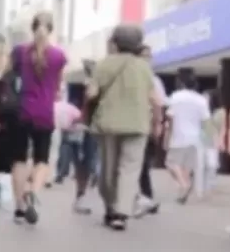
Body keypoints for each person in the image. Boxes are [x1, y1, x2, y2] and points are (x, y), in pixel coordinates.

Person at [85, 25, 160, 230]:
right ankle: (121, 212)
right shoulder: (144, 67)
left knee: (108, 169)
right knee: (129, 168)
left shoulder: (103, 65)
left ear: (115, 43)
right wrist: (157, 123)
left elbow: (91, 94)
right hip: (137, 123)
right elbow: (156, 100)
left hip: (108, 123)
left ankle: (111, 207)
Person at [5, 12, 67, 225]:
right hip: (44, 113)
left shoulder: (19, 52)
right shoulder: (59, 56)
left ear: (32, 29)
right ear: (51, 30)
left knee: (20, 160)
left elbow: (8, 78)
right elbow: (58, 88)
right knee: (42, 160)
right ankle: (32, 190)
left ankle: (19, 209)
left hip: (20, 111)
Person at [164, 68, 211, 203]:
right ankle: (182, 193)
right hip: (195, 138)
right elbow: (205, 121)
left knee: (171, 163)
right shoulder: (201, 99)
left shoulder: (176, 97)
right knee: (186, 167)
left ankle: (183, 185)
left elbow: (170, 118)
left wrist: (167, 136)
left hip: (178, 136)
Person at [136, 45, 166, 216]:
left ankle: (146, 197)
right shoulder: (133, 76)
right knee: (137, 164)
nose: (147, 60)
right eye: (143, 56)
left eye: (149, 56)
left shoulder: (154, 80)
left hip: (145, 127)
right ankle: (142, 197)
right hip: (131, 125)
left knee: (142, 164)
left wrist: (158, 124)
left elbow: (158, 104)